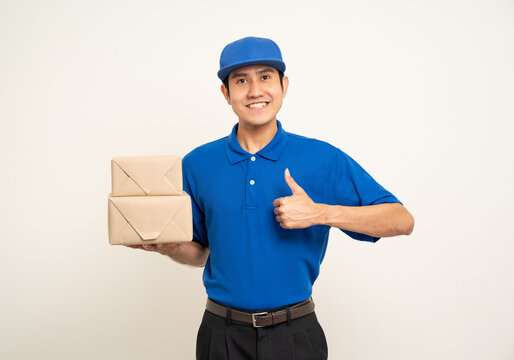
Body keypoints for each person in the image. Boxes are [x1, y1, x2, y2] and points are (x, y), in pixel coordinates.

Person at [128, 36, 415, 360]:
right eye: (241, 80)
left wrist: (320, 213)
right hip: (220, 336)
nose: (254, 91)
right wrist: (170, 247)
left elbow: (401, 220)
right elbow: (200, 254)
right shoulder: (196, 164)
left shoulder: (322, 158)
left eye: (265, 76)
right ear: (226, 93)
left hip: (296, 336)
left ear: (284, 85)